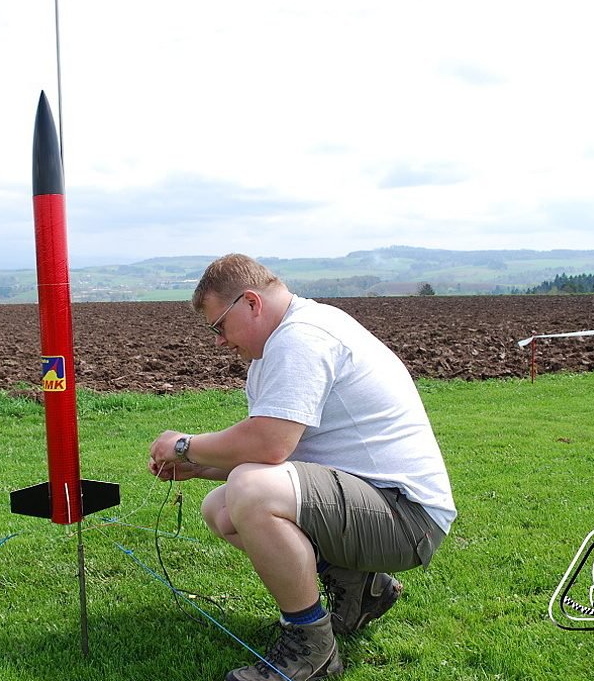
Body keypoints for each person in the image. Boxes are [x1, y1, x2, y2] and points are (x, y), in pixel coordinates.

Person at [148, 254, 456, 681]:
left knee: (250, 492)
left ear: (251, 303)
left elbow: (269, 445)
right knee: (221, 507)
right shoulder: (288, 337)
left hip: (407, 516)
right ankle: (360, 588)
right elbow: (282, 454)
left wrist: (184, 446)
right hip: (380, 503)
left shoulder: (300, 338)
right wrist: (199, 468)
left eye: (220, 326)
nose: (219, 341)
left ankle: (311, 647)